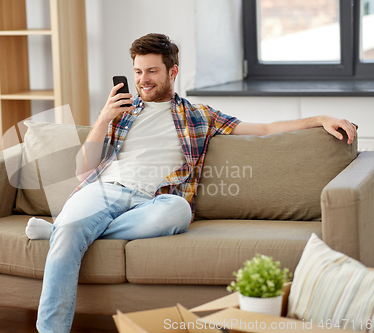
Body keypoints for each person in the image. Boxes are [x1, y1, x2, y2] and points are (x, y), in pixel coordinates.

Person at [27, 33, 357, 333]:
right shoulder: (121, 112)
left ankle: (63, 230)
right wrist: (101, 120)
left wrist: (319, 119)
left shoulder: (199, 115)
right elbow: (83, 172)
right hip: (105, 190)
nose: (143, 80)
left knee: (179, 211)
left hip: (155, 201)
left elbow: (267, 129)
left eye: (152, 71)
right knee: (75, 227)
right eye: (138, 71)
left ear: (172, 72)